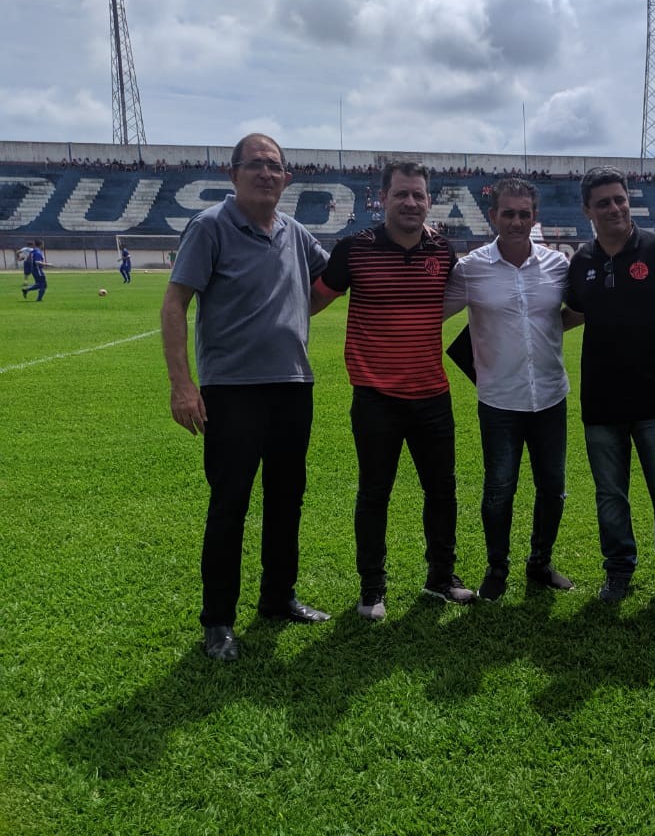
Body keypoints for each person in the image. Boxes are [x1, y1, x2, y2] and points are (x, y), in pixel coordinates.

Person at [160, 133, 331, 662]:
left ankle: (278, 598)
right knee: (229, 506)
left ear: (287, 178)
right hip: (231, 393)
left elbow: (332, 280)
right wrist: (183, 385)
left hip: (292, 388)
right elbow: (173, 305)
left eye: (274, 165)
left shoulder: (296, 233)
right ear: (232, 174)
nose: (265, 172)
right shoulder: (210, 226)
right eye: (254, 164)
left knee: (287, 501)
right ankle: (218, 621)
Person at [311, 161, 475, 620]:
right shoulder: (353, 251)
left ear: (428, 201)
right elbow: (310, 301)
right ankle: (372, 589)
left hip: (432, 395)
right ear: (381, 198)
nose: (410, 202)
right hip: (375, 398)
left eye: (418, 195)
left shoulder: (443, 252)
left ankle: (441, 578)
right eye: (401, 194)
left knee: (442, 492)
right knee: (374, 493)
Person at [565, 166, 655, 606]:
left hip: (654, 396)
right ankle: (619, 571)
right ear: (588, 209)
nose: (614, 207)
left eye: (620, 198)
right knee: (610, 495)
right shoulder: (582, 261)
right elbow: (573, 315)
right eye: (603, 202)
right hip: (601, 401)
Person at [444, 178, 578, 603]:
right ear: (493, 217)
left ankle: (540, 563)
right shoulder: (471, 269)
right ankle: (497, 567)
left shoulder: (558, 265)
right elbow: (431, 312)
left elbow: (577, 310)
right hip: (499, 400)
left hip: (551, 396)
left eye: (524, 213)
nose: (517, 221)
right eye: (508, 213)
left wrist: (543, 328)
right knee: (500, 488)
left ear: (534, 217)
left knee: (553, 486)